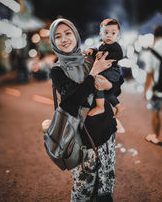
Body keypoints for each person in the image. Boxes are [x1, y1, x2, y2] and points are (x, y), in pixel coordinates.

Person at [45, 17, 124, 201]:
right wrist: (94, 72)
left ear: (75, 35)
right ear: (53, 42)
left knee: (105, 185)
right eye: (58, 36)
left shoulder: (90, 57)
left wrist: (109, 87)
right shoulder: (57, 70)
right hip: (80, 139)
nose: (64, 39)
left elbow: (117, 83)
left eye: (68, 33)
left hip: (106, 131)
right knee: (84, 189)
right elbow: (73, 100)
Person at [84, 18, 123, 119]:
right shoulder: (102, 45)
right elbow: (97, 50)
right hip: (107, 71)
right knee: (105, 91)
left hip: (113, 72)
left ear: (117, 35)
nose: (109, 35)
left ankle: (100, 106)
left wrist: (106, 55)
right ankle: (118, 106)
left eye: (113, 33)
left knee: (97, 81)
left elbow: (119, 55)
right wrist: (92, 50)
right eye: (106, 32)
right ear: (101, 35)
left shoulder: (115, 46)